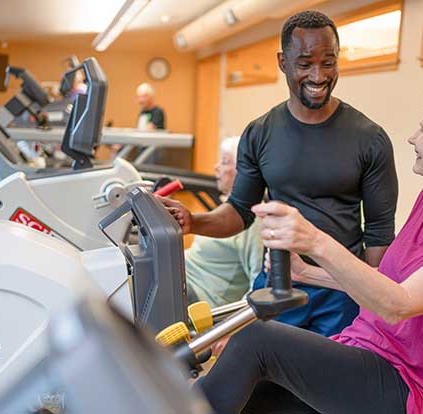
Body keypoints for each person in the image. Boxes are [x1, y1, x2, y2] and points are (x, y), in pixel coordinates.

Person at [198, 77, 423, 414]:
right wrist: (306, 273)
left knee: (257, 340)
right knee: (257, 392)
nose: (413, 138)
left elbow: (399, 303)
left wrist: (314, 239)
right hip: (367, 353)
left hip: (417, 389)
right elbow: (385, 284)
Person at [160, 10, 398, 336]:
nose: (318, 75)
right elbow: (240, 212)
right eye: (304, 64)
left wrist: (374, 302)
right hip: (278, 285)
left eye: (328, 63)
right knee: (269, 381)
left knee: (327, 383)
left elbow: (380, 233)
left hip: (342, 291)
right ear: (283, 62)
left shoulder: (369, 138)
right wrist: (195, 221)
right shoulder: (260, 133)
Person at [183, 136, 263, 307]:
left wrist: (232, 328)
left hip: (199, 299)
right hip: (182, 280)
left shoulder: (254, 219)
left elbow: (258, 284)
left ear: (244, 171)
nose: (216, 167)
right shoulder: (224, 209)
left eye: (225, 162)